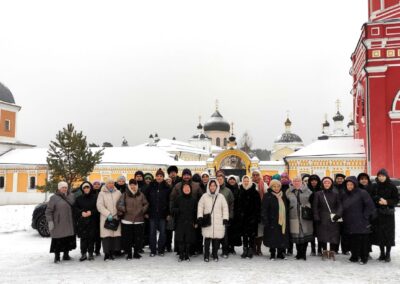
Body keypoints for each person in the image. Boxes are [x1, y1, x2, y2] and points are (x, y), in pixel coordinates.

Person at [342, 176, 376, 265]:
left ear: (355, 184)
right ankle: (354, 256)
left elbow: (370, 206)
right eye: (347, 184)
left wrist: (364, 216)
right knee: (353, 240)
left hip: (362, 222)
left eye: (351, 184)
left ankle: (364, 257)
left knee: (363, 241)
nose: (349, 186)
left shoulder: (362, 192)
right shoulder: (345, 194)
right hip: (350, 221)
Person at [170, 168, 203, 254]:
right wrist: (172, 211)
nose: (186, 176)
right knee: (180, 233)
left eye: (188, 175)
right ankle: (179, 250)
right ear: (182, 176)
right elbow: (172, 199)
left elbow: (202, 198)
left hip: (192, 213)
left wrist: (199, 210)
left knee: (192, 233)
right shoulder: (177, 186)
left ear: (190, 176)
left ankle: (192, 250)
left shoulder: (196, 185)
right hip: (180, 214)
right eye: (185, 175)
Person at [371, 169, 399, 263]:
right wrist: (378, 199)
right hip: (378, 214)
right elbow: (372, 196)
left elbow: (396, 199)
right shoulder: (375, 186)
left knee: (388, 234)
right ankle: (382, 253)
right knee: (380, 234)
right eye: (379, 176)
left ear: (386, 176)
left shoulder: (392, 186)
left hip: (388, 214)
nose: (381, 177)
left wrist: (387, 202)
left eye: (382, 176)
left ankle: (388, 254)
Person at [197, 180, 229, 262]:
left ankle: (215, 255)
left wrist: (225, 218)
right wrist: (200, 216)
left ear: (217, 186)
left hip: (218, 221)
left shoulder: (221, 197)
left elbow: (225, 208)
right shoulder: (204, 196)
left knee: (216, 240)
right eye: (211, 185)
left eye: (214, 185)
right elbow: (200, 206)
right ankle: (206, 255)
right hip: (207, 221)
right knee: (207, 239)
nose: (212, 187)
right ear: (208, 186)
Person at [117, 179, 149, 260]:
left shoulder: (141, 195)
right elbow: (119, 204)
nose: (133, 186)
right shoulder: (124, 194)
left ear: (137, 185)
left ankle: (136, 253)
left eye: (134, 184)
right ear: (129, 186)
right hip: (127, 220)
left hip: (139, 220)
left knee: (138, 238)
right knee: (127, 238)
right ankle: (128, 253)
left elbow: (146, 204)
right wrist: (125, 210)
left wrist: (142, 211)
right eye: (131, 184)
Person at [45, 181, 76, 263]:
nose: (65, 189)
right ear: (59, 188)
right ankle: (57, 257)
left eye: (66, 187)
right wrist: (50, 221)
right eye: (63, 187)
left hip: (69, 222)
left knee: (67, 239)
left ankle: (66, 255)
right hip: (58, 222)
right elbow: (48, 211)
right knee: (58, 240)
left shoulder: (71, 196)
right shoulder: (54, 198)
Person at [313, 177, 342, 260]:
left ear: (331, 184)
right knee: (323, 235)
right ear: (323, 184)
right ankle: (325, 251)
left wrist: (338, 214)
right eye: (325, 183)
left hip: (333, 217)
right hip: (322, 217)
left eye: (328, 183)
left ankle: (332, 251)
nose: (327, 184)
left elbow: (340, 205)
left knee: (334, 235)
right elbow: (315, 207)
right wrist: (316, 217)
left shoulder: (336, 194)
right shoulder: (318, 194)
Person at [286, 176, 313, 260]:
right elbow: (286, 203)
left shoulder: (308, 191)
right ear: (292, 182)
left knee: (305, 235)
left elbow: (312, 202)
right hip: (293, 216)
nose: (296, 182)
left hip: (305, 216)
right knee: (296, 236)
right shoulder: (288, 191)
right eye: (295, 181)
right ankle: (298, 254)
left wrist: (306, 207)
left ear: (301, 182)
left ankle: (303, 254)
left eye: (298, 181)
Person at [145, 168, 171, 257]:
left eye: (161, 176)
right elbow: (146, 200)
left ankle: (161, 250)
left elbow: (169, 202)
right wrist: (147, 212)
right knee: (152, 233)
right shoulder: (150, 186)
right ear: (155, 177)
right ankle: (153, 250)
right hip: (152, 214)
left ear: (163, 177)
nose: (159, 177)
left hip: (163, 214)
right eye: (158, 176)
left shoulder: (167, 187)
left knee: (163, 233)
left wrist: (168, 213)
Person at [262, 179, 289, 260]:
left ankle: (281, 253)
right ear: (271, 187)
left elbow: (286, 207)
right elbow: (264, 209)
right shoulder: (267, 195)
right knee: (272, 238)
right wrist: (265, 220)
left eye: (278, 186)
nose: (276, 188)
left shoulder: (283, 195)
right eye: (274, 186)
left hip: (282, 221)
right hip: (271, 221)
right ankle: (272, 253)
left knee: (281, 237)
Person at [96, 179, 122, 261]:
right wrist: (108, 214)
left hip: (116, 217)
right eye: (109, 183)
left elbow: (121, 203)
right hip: (106, 217)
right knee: (107, 236)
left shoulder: (118, 192)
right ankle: (107, 254)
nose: (111, 184)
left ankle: (113, 253)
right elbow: (99, 205)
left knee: (115, 236)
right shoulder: (102, 193)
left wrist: (119, 212)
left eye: (112, 183)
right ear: (106, 184)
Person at [172, 183, 198, 262]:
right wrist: (177, 210)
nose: (187, 189)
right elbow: (173, 209)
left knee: (188, 240)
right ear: (182, 189)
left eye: (188, 188)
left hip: (190, 223)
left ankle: (186, 255)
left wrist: (196, 222)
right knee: (180, 240)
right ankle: (181, 255)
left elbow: (196, 212)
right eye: (185, 188)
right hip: (180, 222)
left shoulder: (193, 200)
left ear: (190, 189)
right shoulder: (178, 198)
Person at [74, 181, 98, 261]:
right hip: (82, 221)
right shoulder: (78, 198)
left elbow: (98, 208)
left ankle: (90, 253)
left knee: (91, 238)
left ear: (90, 188)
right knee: (83, 238)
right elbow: (75, 208)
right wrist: (81, 212)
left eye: (87, 187)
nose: (86, 189)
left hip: (92, 220)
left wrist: (91, 212)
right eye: (85, 188)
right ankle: (83, 253)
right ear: (82, 189)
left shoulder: (95, 197)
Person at [238, 175, 261, 259]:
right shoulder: (240, 192)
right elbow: (238, 206)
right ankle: (245, 250)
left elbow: (258, 207)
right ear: (242, 181)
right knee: (244, 235)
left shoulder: (255, 193)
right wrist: (240, 215)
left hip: (252, 218)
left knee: (251, 235)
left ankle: (250, 250)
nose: (246, 182)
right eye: (244, 181)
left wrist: (256, 217)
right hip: (243, 218)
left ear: (250, 182)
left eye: (247, 181)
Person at [216, 170, 235, 258]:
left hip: (224, 216)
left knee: (224, 234)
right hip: (215, 216)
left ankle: (225, 251)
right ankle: (215, 250)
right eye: (218, 179)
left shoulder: (228, 191)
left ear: (224, 180)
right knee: (215, 234)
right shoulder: (213, 189)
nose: (219, 180)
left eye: (221, 179)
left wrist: (230, 215)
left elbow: (231, 204)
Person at [357, 172, 374, 258]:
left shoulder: (372, 188)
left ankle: (367, 251)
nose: (363, 180)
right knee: (359, 235)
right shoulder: (356, 189)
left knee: (368, 235)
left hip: (369, 215)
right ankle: (360, 251)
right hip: (358, 215)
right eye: (361, 179)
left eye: (365, 179)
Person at [251, 170, 268, 256]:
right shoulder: (250, 184)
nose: (255, 176)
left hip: (261, 210)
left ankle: (259, 248)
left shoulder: (264, 184)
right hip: (252, 210)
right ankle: (253, 248)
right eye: (254, 175)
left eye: (257, 175)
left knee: (260, 230)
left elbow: (266, 196)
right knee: (253, 230)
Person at [226, 175, 242, 255]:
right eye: (230, 180)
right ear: (228, 181)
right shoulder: (226, 189)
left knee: (234, 232)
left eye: (233, 180)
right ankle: (227, 246)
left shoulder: (238, 189)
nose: (232, 181)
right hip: (227, 212)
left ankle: (232, 247)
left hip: (236, 213)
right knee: (227, 231)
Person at [333, 173, 348, 255]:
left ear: (343, 179)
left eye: (341, 179)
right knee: (336, 232)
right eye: (338, 178)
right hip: (335, 212)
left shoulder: (346, 187)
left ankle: (345, 249)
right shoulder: (333, 187)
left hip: (345, 212)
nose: (339, 180)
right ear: (335, 179)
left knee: (344, 232)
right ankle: (335, 249)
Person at [307, 174, 322, 256]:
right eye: (312, 180)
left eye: (315, 180)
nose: (313, 182)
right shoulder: (307, 190)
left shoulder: (321, 189)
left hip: (320, 213)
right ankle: (313, 250)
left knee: (320, 232)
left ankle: (320, 249)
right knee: (311, 232)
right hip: (310, 213)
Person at [92, 180, 103, 256]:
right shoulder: (90, 193)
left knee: (99, 234)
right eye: (95, 184)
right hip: (92, 215)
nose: (96, 185)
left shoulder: (102, 193)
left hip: (100, 215)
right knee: (92, 234)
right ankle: (91, 249)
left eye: (98, 184)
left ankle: (97, 250)